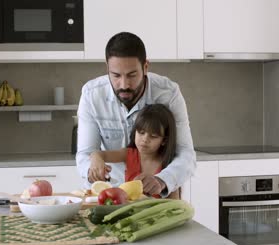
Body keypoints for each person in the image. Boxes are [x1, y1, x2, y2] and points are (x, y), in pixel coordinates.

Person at [76, 31, 196, 197]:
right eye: (116, 75)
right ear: (107, 68)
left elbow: (186, 153)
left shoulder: (168, 93)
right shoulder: (91, 94)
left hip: (156, 194)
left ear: (145, 67)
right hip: (108, 194)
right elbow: (85, 153)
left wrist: (161, 180)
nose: (124, 84)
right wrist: (92, 169)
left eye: (132, 75)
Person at [88, 104, 178, 197]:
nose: (145, 139)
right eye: (141, 133)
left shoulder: (170, 166)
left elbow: (176, 205)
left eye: (153, 136)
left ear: (164, 140)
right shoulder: (128, 154)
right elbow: (97, 154)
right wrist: (96, 160)